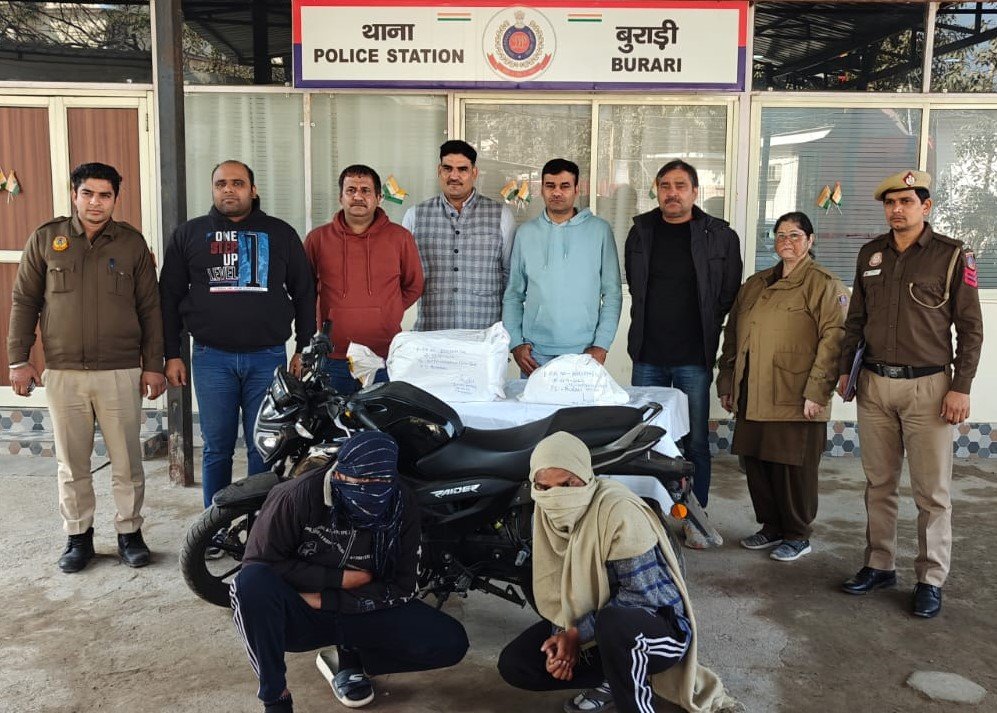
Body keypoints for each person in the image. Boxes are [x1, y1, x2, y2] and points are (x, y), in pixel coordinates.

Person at [498, 432, 739, 713]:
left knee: (614, 624)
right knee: (518, 664)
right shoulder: (543, 516)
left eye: (567, 484)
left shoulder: (618, 512)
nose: (556, 498)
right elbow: (562, 594)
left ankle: (633, 698)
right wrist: (563, 638)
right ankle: (614, 679)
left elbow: (642, 598)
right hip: (600, 630)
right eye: (544, 487)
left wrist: (578, 634)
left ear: (585, 476)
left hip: (660, 629)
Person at [230, 431, 469, 713]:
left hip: (361, 605)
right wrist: (337, 579)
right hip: (302, 608)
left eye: (381, 482)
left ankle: (354, 657)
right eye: (361, 481)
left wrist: (329, 599)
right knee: (250, 584)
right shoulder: (295, 496)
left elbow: (404, 586)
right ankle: (275, 697)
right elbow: (260, 563)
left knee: (450, 642)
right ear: (339, 474)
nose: (372, 490)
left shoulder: (402, 502)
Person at [836, 170, 983, 619]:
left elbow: (971, 329)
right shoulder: (870, 254)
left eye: (906, 201)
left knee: (931, 492)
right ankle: (879, 564)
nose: (897, 209)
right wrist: (845, 372)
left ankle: (930, 578)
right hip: (875, 384)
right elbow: (855, 321)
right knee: (879, 483)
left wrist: (960, 387)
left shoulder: (952, 255)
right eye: (890, 203)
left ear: (926, 206)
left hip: (929, 388)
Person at [7, 162, 166, 573]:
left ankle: (130, 533)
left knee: (127, 461)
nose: (96, 202)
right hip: (64, 373)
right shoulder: (47, 239)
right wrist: (19, 360)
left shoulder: (131, 244)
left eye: (105, 195)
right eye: (88, 194)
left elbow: (150, 309)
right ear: (74, 194)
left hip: (119, 371)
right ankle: (78, 537)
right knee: (71, 463)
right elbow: (25, 301)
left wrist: (153, 366)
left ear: (115, 199)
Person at [159, 160, 316, 508]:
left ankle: (259, 526)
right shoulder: (189, 235)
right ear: (213, 190)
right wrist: (171, 353)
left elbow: (305, 292)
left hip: (267, 358)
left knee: (264, 445)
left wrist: (303, 347)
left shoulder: (280, 233)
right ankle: (214, 526)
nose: (228, 189)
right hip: (211, 358)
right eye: (221, 184)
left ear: (253, 190)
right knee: (217, 448)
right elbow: (168, 297)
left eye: (237, 183)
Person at [624, 160, 742, 549]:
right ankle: (651, 518)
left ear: (695, 191)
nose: (672, 193)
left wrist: (707, 325)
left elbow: (728, 292)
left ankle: (695, 518)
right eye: (665, 186)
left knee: (694, 443)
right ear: (656, 190)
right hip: (648, 355)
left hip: (694, 355)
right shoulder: (640, 231)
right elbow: (637, 287)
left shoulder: (720, 235)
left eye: (680, 185)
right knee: (645, 440)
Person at [716, 212, 848, 563]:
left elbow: (835, 340)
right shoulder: (756, 284)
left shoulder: (823, 284)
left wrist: (817, 392)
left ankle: (798, 534)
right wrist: (727, 381)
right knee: (757, 463)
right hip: (753, 391)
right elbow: (733, 335)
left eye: (794, 235)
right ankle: (771, 526)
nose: (786, 241)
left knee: (793, 469)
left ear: (810, 240)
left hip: (795, 393)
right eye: (780, 235)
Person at [304, 164, 424, 395]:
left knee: (381, 417)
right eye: (351, 190)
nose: (358, 196)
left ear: (378, 197)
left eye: (365, 190)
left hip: (384, 356)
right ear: (340, 197)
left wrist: (388, 310)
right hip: (333, 357)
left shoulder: (400, 238)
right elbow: (305, 290)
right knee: (334, 418)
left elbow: (414, 284)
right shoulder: (317, 239)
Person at [502, 158, 622, 376]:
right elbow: (513, 294)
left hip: (585, 351)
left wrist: (601, 345)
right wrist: (516, 343)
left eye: (564, 186)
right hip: (535, 353)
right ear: (542, 190)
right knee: (534, 401)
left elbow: (612, 293)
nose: (557, 192)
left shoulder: (599, 231)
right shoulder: (526, 233)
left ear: (576, 190)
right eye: (550, 186)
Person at [402, 140, 516, 331]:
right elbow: (404, 275)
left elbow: (510, 274)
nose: (454, 176)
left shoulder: (501, 215)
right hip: (432, 332)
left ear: (474, 173)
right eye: (448, 168)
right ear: (439, 171)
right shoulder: (415, 215)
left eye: (462, 169)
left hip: (484, 334)